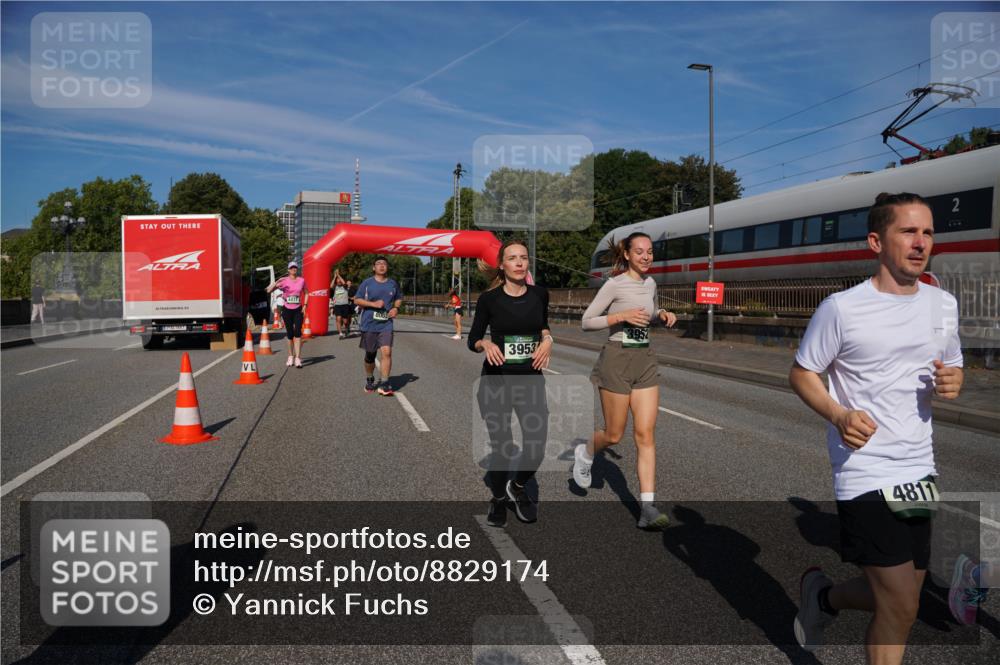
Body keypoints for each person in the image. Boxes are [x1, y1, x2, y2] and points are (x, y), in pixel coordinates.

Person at [789, 192, 966, 662]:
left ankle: (822, 597)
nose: (921, 242)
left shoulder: (942, 304)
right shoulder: (842, 308)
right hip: (864, 469)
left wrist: (954, 381)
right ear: (876, 241)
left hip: (918, 467)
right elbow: (803, 372)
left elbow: (952, 365)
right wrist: (839, 415)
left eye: (928, 232)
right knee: (902, 602)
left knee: (903, 596)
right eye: (908, 231)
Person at [572, 231, 677, 531]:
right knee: (614, 435)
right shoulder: (614, 285)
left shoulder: (651, 283)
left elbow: (649, 314)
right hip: (616, 358)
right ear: (627, 255)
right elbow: (586, 322)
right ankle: (587, 450)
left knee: (645, 435)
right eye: (640, 251)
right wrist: (621, 316)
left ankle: (647, 507)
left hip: (644, 359)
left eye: (650, 252)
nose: (646, 257)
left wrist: (663, 315)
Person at [468, 240, 552, 527]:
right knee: (502, 446)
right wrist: (485, 343)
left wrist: (549, 341)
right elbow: (473, 339)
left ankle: (516, 487)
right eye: (512, 258)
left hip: (530, 381)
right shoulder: (489, 300)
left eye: (524, 258)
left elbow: (544, 327)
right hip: (496, 381)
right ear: (502, 265)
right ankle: (499, 500)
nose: (519, 262)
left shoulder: (540, 294)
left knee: (536, 448)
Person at [355, 257, 402, 396]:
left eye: (384, 264)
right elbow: (357, 299)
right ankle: (370, 378)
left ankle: (385, 383)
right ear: (373, 268)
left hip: (386, 324)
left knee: (387, 352)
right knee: (370, 355)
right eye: (379, 264)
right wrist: (373, 304)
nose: (382, 266)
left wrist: (396, 308)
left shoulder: (393, 284)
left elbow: (399, 298)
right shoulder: (367, 283)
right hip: (369, 324)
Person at [267, 261, 309, 368]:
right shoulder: (284, 281)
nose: (294, 269)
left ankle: (298, 358)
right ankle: (290, 356)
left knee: (298, 332)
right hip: (287, 310)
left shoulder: (301, 280)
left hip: (298, 309)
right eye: (292, 268)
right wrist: (277, 282)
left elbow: (307, 292)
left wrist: (305, 305)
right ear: (288, 270)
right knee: (290, 333)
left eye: (295, 267)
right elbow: (269, 290)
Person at [330, 271, 352, 339]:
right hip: (337, 305)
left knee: (345, 321)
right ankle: (340, 333)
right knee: (338, 319)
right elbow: (330, 286)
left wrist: (338, 275)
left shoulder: (345, 287)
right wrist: (334, 277)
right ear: (336, 281)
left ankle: (347, 328)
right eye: (337, 280)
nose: (339, 280)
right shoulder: (335, 288)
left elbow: (344, 282)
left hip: (345, 305)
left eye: (339, 279)